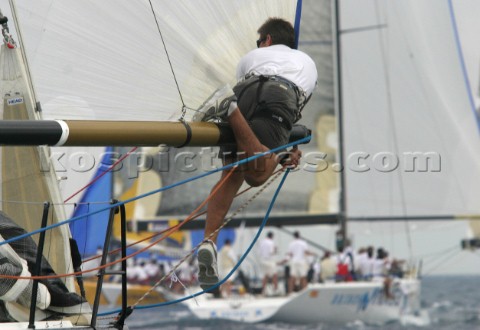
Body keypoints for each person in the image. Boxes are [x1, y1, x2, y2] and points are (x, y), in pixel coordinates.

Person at [196, 17, 318, 289]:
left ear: (267, 40)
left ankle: (208, 243)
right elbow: (293, 113)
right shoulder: (306, 63)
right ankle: (229, 108)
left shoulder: (250, 59)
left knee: (232, 173)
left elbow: (258, 134)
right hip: (279, 96)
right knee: (257, 175)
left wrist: (283, 153)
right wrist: (285, 149)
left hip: (244, 92)